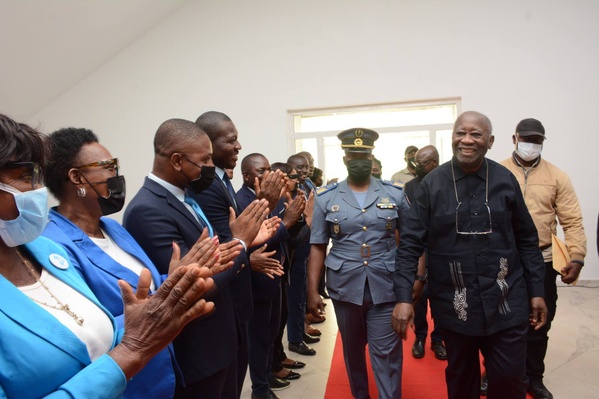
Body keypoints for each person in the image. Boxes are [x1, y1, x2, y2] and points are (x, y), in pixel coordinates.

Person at [0, 113, 214, 399]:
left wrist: (172, 283)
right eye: (27, 177)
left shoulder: (47, 251)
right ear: (76, 178)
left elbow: (95, 321)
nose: (38, 189)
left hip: (151, 377)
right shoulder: (56, 241)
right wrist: (131, 351)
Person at [392, 111, 548, 399]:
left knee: (510, 381)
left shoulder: (504, 180)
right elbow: (410, 244)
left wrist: (536, 290)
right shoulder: (432, 185)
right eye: (460, 133)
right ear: (451, 137)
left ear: (489, 141)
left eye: (476, 134)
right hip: (454, 306)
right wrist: (404, 297)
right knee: (462, 384)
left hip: (506, 301)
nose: (467, 140)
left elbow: (527, 239)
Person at [123, 118, 275, 399]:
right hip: (197, 352)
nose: (210, 167)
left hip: (222, 339)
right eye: (204, 161)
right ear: (178, 160)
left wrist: (244, 240)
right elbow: (190, 283)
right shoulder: (148, 210)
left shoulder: (187, 198)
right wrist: (241, 242)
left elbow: (214, 255)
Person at [307, 128, 408, 399]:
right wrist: (312, 290)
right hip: (344, 286)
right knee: (352, 351)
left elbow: (410, 242)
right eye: (353, 155)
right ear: (344, 159)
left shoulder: (395, 193)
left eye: (363, 154)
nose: (358, 159)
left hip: (385, 284)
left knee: (387, 354)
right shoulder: (326, 197)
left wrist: (413, 285)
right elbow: (317, 244)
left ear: (372, 156)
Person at [192, 111, 286, 397]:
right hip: (227, 297)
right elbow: (226, 243)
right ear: (208, 143)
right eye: (231, 140)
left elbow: (237, 236)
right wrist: (265, 205)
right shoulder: (208, 186)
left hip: (241, 294)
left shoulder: (221, 181)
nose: (238, 146)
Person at [501, 118, 587, 399]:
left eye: (537, 140)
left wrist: (577, 256)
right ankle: (496, 371)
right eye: (526, 139)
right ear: (514, 138)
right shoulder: (497, 172)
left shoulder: (556, 176)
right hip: (503, 259)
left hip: (542, 259)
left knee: (539, 321)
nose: (531, 145)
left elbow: (572, 221)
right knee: (499, 319)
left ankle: (533, 378)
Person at [237, 154, 306, 399]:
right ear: (246, 176)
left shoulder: (271, 197)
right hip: (258, 279)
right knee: (259, 338)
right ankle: (260, 388)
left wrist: (296, 220)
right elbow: (255, 245)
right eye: (260, 171)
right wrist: (287, 223)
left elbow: (285, 236)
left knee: (271, 334)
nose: (267, 175)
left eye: (268, 169)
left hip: (275, 274)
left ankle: (267, 376)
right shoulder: (244, 200)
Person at [402, 145, 446, 361]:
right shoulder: (410, 187)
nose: (416, 166)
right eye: (415, 162)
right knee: (418, 295)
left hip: (442, 250)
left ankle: (438, 339)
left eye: (421, 163)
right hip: (419, 248)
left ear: (434, 162)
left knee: (440, 298)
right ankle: (420, 337)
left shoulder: (447, 183)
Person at [286, 153, 320, 356]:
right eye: (299, 168)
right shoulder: (291, 191)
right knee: (295, 297)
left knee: (301, 295)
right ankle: (295, 339)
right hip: (295, 250)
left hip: (307, 246)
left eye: (306, 167)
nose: (304, 171)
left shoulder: (308, 185)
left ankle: (300, 331)